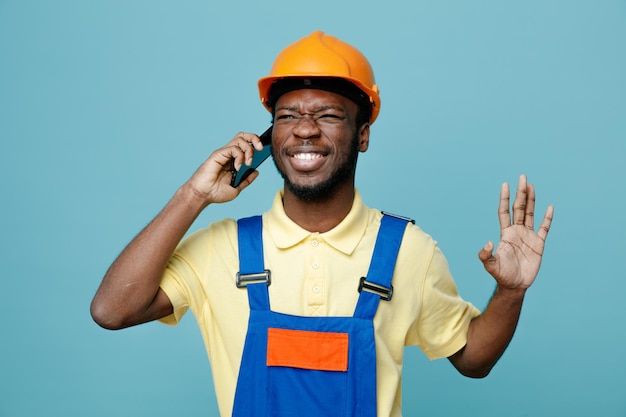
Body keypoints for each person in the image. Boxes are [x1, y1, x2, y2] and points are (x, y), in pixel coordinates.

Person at [91, 30, 554, 417]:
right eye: (287, 116)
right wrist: (193, 196)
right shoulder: (223, 248)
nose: (305, 129)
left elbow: (473, 358)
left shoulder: (408, 250)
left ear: (363, 135)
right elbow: (112, 311)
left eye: (328, 115)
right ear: (270, 137)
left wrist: (511, 292)